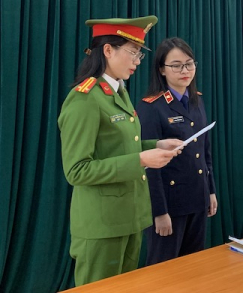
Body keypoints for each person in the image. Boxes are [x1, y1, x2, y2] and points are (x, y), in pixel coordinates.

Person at [58, 15, 182, 286]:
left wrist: (156, 145)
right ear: (107, 50)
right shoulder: (84, 99)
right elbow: (77, 170)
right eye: (133, 52)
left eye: (140, 54)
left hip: (129, 218)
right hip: (102, 226)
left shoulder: (118, 92)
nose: (138, 61)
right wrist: (141, 159)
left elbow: (120, 147)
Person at [136, 37, 217, 265]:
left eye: (189, 64)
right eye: (176, 65)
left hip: (197, 198)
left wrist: (210, 191)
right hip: (170, 204)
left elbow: (204, 152)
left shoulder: (196, 100)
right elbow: (150, 166)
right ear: (162, 69)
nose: (185, 71)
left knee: (193, 267)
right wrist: (159, 211)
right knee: (163, 269)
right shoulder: (151, 107)